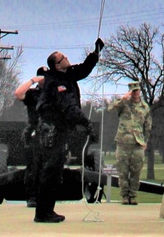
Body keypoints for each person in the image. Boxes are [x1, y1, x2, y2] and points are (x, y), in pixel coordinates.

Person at [33, 39, 103, 224]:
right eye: (63, 57)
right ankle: (42, 213)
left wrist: (95, 53)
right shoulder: (57, 82)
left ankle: (47, 210)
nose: (67, 58)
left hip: (59, 130)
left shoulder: (67, 75)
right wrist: (86, 124)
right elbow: (68, 107)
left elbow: (83, 70)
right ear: (57, 65)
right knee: (51, 172)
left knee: (55, 171)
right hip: (52, 131)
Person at [110, 81, 151, 205]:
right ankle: (124, 195)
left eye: (137, 90)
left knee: (136, 171)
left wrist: (145, 141)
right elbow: (111, 108)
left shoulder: (144, 107)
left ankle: (133, 195)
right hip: (123, 142)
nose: (135, 93)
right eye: (133, 91)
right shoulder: (124, 105)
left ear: (140, 91)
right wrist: (123, 98)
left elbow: (148, 126)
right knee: (123, 172)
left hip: (137, 144)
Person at [14, 67, 47, 209]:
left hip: (51, 132)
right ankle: (32, 197)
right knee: (33, 166)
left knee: (48, 167)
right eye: (43, 77)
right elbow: (19, 93)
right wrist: (33, 81)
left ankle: (46, 196)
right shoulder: (33, 94)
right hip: (35, 131)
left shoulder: (54, 93)